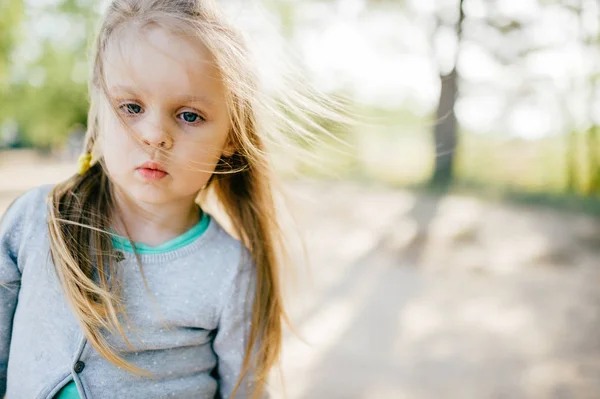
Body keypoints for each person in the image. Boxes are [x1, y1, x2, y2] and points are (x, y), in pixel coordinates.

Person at [0, 0, 341, 397]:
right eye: (131, 107)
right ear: (99, 105)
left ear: (231, 136)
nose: (154, 135)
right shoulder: (37, 222)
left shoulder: (229, 271)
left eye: (189, 115)